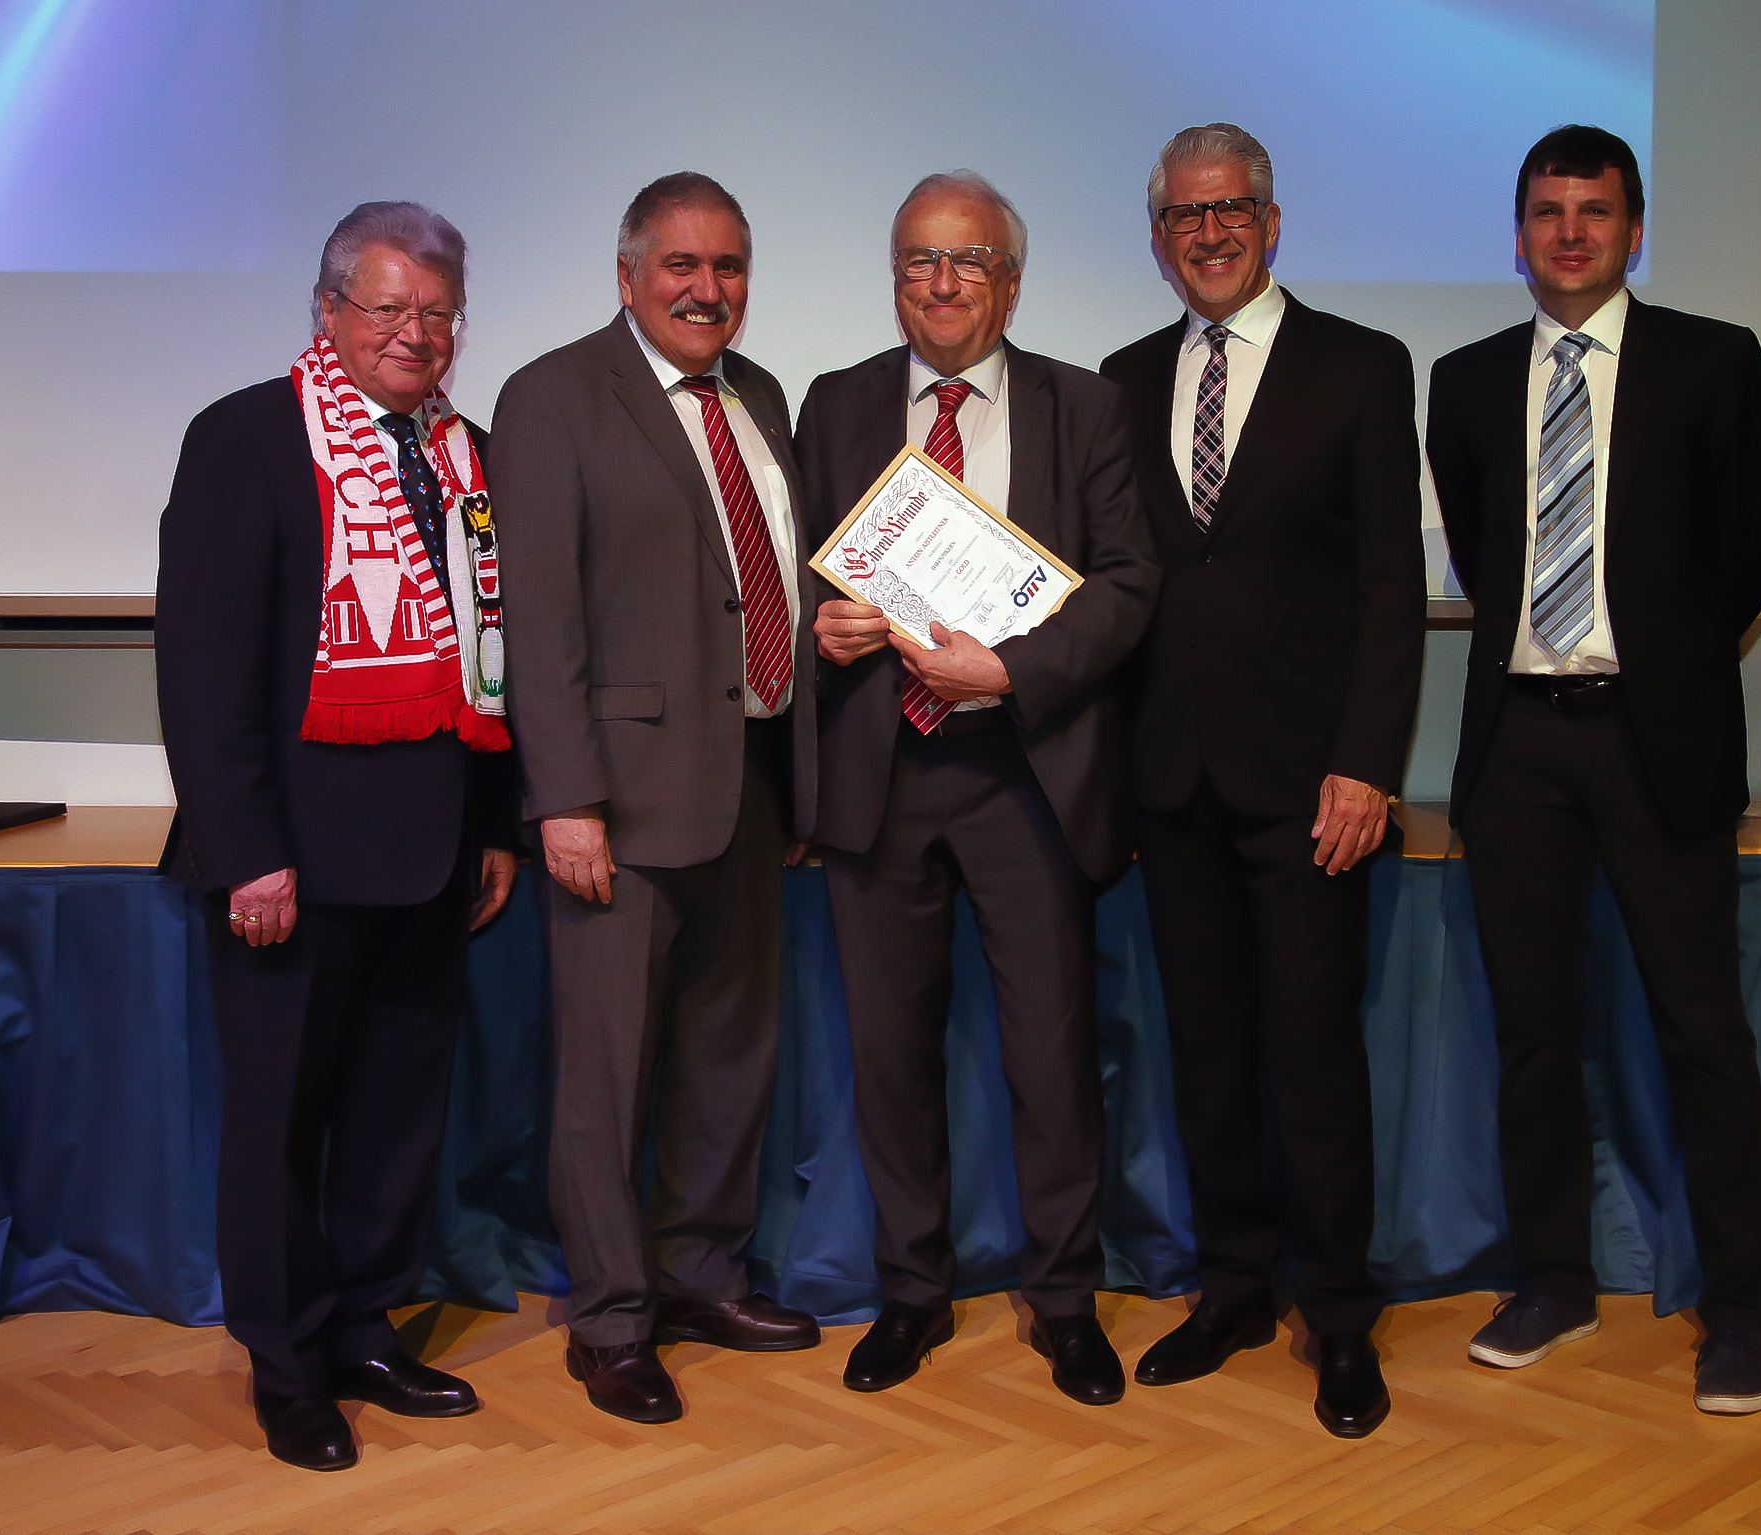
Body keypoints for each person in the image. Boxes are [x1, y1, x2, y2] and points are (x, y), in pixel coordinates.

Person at [1427, 125, 1761, 1415]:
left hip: (1657, 737)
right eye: (1546, 210)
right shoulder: (1465, 379)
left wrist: (1662, 660)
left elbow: (1745, 547)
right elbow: (1480, 547)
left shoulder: (1715, 360)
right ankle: (1552, 1280)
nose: (1569, 232)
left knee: (1700, 1028)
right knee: (1532, 1031)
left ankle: (1738, 1310)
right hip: (1518, 742)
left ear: (1634, 230)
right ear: (1517, 233)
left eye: (1593, 210)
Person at [156, 202, 520, 1471]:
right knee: (279, 1125)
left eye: (437, 312)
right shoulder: (249, 436)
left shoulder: (466, 455)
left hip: (430, 853)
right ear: (328, 311)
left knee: (393, 1115)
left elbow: (488, 657)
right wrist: (245, 849)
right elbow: (203, 667)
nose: (415, 332)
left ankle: (365, 1325)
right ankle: (287, 1358)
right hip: (292, 864)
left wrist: (492, 825)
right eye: (388, 307)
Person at [800, 171, 1159, 1407]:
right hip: (881, 770)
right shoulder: (836, 401)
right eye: (918, 260)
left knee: (1051, 1056)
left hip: (1025, 769)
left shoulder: (1085, 404)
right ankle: (910, 1292)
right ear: (893, 278)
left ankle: (1063, 1297)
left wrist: (1009, 669)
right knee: (889, 1054)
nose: (941, 283)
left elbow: (1126, 582)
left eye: (968, 261)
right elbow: (794, 572)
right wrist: (825, 625)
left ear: (1010, 281)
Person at [1100, 124, 1425, 1439]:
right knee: (1208, 1053)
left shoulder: (1360, 364)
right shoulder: (1120, 379)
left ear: (1272, 221)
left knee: (1312, 1057)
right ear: (1157, 236)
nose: (1210, 231)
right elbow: (1116, 586)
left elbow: (1389, 589)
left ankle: (1337, 1315)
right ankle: (1232, 1287)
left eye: (1230, 208)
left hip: (1310, 787)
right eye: (1185, 215)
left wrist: (1367, 763)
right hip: (1169, 781)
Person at [486, 172, 820, 1425]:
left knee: (728, 1058)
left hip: (750, 786)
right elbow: (540, 615)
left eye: (727, 265)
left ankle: (699, 1276)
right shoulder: (552, 395)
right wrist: (564, 797)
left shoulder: (760, 395)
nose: (705, 288)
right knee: (606, 1076)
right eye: (680, 264)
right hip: (616, 808)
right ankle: (613, 1319)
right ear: (627, 274)